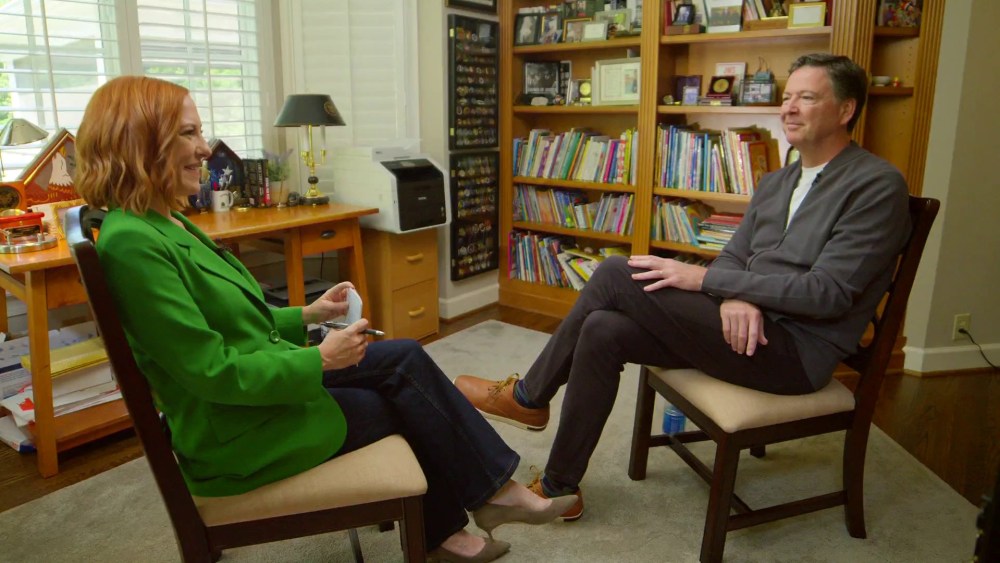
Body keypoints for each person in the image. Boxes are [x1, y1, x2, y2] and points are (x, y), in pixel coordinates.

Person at [74, 76, 575, 563]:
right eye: (188, 133)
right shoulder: (133, 244)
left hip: (258, 397)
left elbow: (234, 320)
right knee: (400, 403)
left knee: (403, 358)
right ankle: (461, 523)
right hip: (237, 431)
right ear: (138, 143)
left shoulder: (164, 219)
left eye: (199, 132)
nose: (206, 148)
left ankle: (485, 502)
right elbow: (211, 371)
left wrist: (309, 314)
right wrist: (320, 360)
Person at [456, 53, 912, 520]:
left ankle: (529, 398)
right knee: (603, 328)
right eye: (787, 96)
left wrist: (709, 280)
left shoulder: (876, 186)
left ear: (846, 109)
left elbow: (828, 293)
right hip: (742, 331)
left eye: (807, 98)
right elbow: (735, 255)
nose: (789, 108)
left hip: (794, 351)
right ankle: (559, 489)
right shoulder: (778, 181)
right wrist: (734, 294)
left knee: (614, 273)